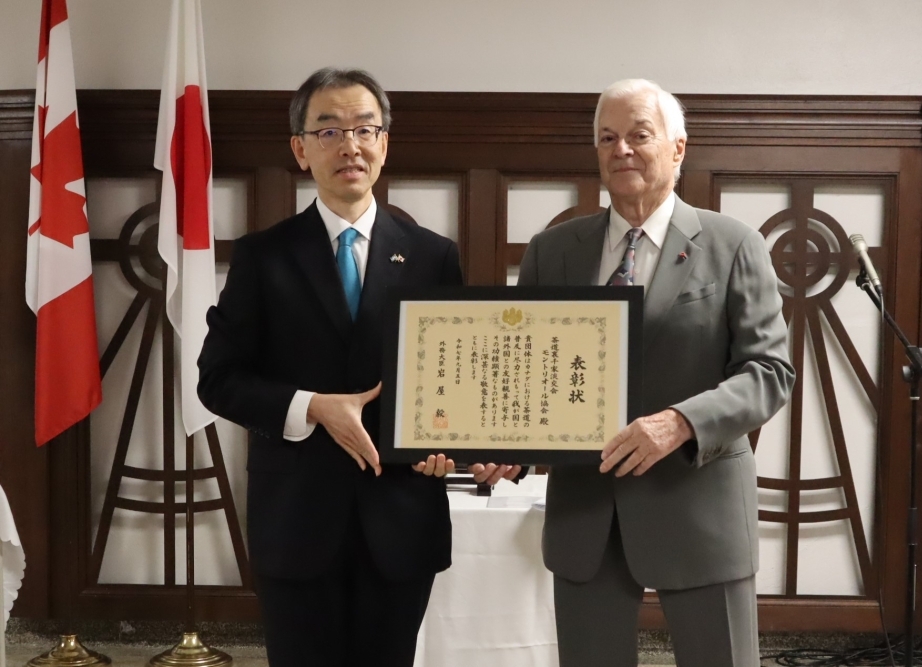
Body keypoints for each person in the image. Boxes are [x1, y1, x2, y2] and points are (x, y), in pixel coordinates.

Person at [197, 67, 519, 667]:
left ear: (384, 143)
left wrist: (467, 447)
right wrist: (312, 407)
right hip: (296, 524)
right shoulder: (263, 257)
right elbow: (218, 380)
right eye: (329, 130)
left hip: (399, 522)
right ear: (300, 150)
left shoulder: (432, 255)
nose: (350, 144)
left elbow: (454, 386)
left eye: (365, 128)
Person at [517, 79, 795, 667]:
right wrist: (503, 445)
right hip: (586, 518)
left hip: (700, 507)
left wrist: (680, 422)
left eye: (639, 135)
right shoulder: (553, 251)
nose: (621, 150)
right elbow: (530, 372)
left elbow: (770, 371)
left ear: (678, 147)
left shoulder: (734, 244)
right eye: (607, 138)